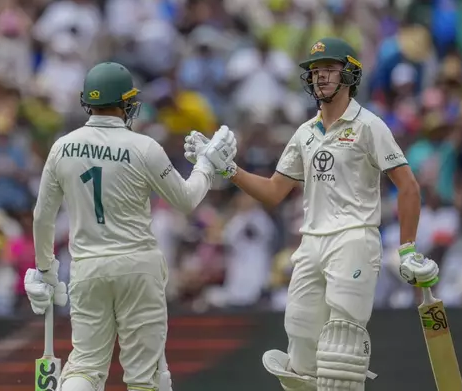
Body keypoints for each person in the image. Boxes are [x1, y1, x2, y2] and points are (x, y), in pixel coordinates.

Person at [185, 38, 440, 391]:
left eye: (330, 70)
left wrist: (408, 248)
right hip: (311, 243)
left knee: (341, 352)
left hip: (354, 238)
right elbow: (274, 191)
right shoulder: (305, 133)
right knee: (300, 349)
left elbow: (408, 186)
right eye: (316, 71)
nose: (320, 77)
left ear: (349, 75)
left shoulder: (369, 126)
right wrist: (227, 169)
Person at [23, 62, 236, 391]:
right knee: (144, 376)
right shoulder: (144, 147)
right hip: (138, 267)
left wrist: (44, 270)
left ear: (87, 103)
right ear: (126, 104)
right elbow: (187, 200)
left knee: (86, 364)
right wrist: (206, 166)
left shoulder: (62, 147)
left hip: (87, 267)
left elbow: (42, 217)